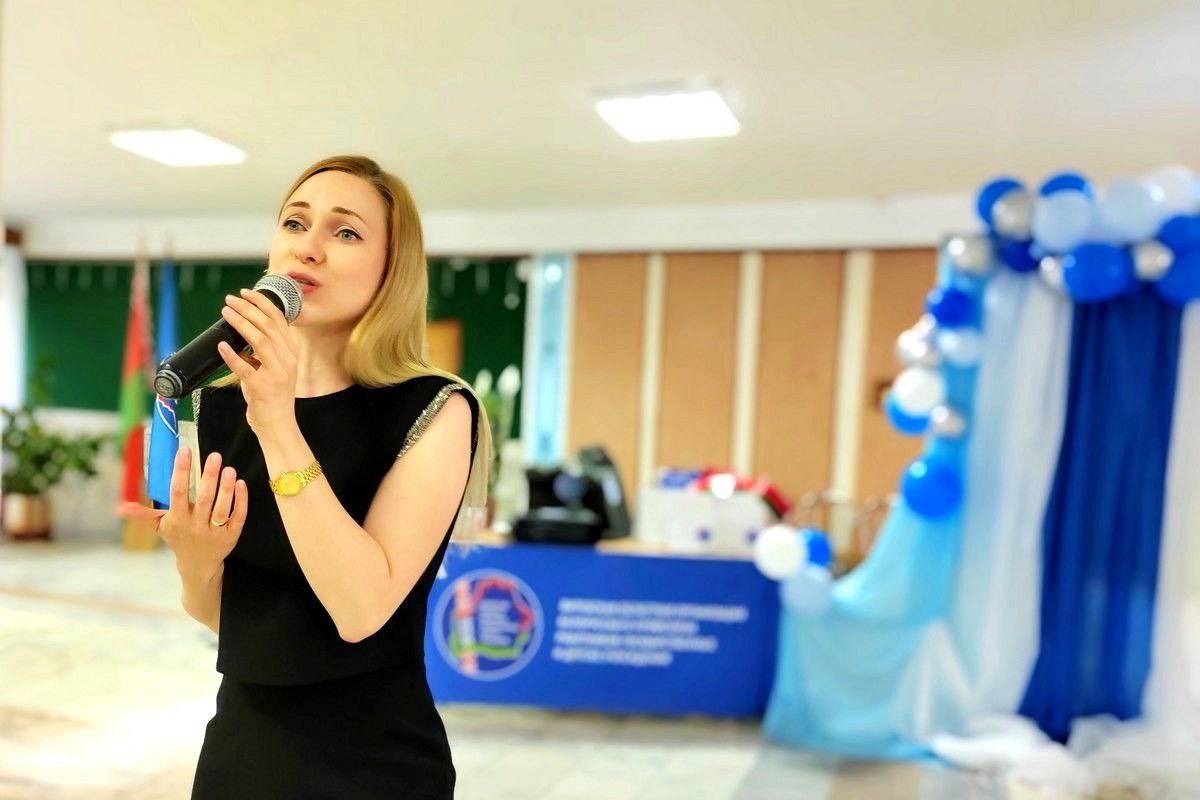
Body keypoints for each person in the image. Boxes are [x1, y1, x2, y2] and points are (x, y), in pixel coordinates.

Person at [120, 155, 492, 798]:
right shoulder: (225, 405)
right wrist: (195, 561)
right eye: (295, 223)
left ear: (391, 270)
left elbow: (360, 611)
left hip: (372, 764)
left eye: (345, 232)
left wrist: (279, 425)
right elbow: (231, 620)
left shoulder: (436, 409)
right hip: (240, 754)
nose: (309, 247)